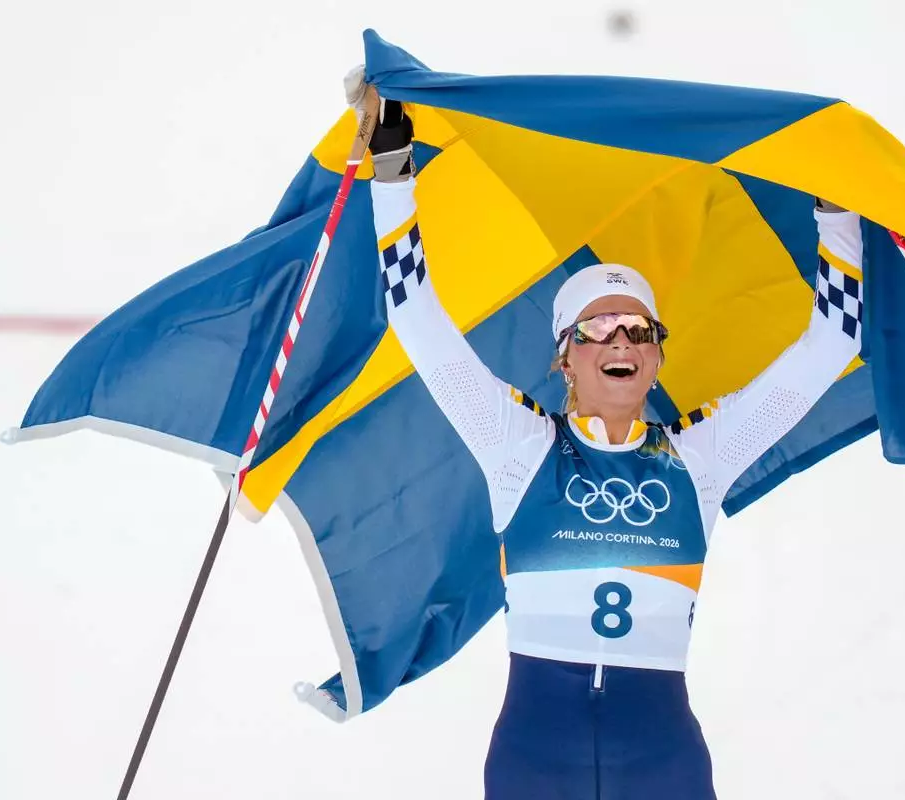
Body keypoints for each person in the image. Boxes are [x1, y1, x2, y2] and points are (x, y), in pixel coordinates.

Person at [345, 70, 865, 800]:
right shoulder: (517, 447)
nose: (619, 340)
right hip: (535, 760)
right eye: (598, 328)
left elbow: (832, 343)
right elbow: (417, 320)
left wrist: (837, 203)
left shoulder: (701, 453)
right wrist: (394, 164)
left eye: (638, 329)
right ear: (567, 356)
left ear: (655, 356)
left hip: (662, 761)